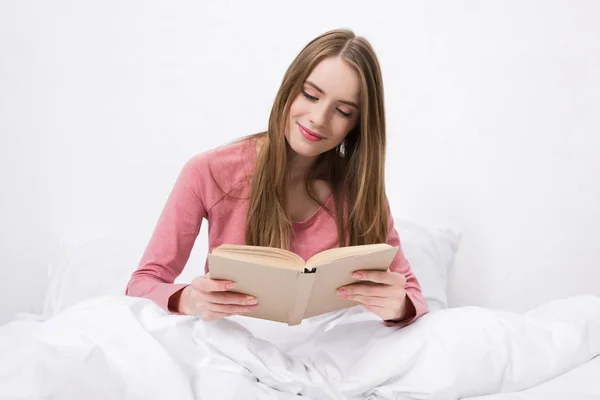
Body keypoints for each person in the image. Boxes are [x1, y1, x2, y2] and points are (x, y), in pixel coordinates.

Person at [125, 28, 428, 327]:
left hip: (328, 354)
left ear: (358, 125)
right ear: (289, 88)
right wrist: (188, 299)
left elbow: (413, 294)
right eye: (310, 95)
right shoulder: (209, 171)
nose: (318, 118)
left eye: (343, 111)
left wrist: (398, 305)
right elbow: (142, 284)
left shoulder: (359, 190)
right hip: (235, 346)